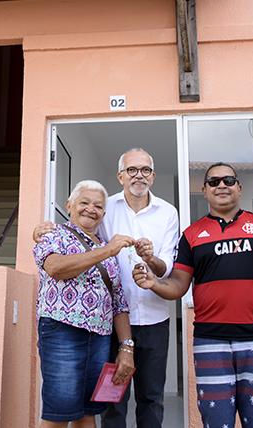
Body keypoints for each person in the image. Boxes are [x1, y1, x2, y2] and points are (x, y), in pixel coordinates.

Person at [132, 162, 253, 428]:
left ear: (239, 187)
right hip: (209, 341)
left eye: (228, 180)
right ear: (204, 190)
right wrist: (153, 283)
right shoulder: (191, 235)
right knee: (216, 423)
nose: (221, 186)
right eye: (213, 182)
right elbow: (178, 285)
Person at [35, 148, 180, 428]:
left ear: (152, 176)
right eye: (131, 170)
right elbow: (65, 256)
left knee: (149, 398)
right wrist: (41, 230)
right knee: (109, 402)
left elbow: (164, 270)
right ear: (120, 176)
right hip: (98, 329)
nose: (139, 175)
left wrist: (150, 259)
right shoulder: (100, 210)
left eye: (145, 170)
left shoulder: (167, 212)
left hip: (146, 319)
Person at [34, 180, 137, 428]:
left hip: (99, 337)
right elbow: (56, 268)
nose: (91, 209)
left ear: (103, 214)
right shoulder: (53, 235)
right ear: (69, 205)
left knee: (87, 412)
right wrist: (108, 250)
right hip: (62, 331)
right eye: (84, 203)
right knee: (58, 414)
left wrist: (127, 347)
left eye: (98, 206)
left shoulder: (104, 247)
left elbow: (119, 303)